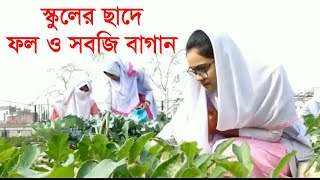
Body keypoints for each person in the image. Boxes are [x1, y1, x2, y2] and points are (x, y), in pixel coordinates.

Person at [156, 30, 313, 178]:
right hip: (243, 145)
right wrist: (151, 146)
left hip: (284, 148)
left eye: (203, 69)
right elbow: (177, 125)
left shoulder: (262, 82)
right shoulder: (205, 92)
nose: (198, 77)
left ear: (223, 60)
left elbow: (274, 134)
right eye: (194, 71)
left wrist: (224, 129)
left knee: (225, 154)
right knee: (211, 149)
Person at [103, 56, 158, 120]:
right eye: (109, 76)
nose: (111, 78)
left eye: (112, 75)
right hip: (117, 112)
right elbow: (108, 97)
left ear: (118, 71)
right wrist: (107, 113)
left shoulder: (136, 73)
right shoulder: (109, 80)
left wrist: (147, 102)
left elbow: (148, 90)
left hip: (138, 109)